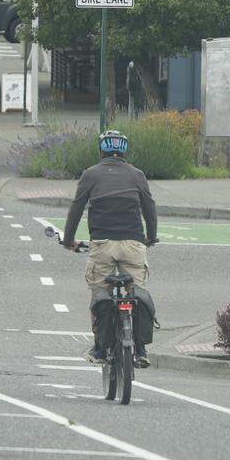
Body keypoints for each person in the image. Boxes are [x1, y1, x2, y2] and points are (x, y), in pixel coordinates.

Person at [62, 130, 158, 367]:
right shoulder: (137, 175)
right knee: (138, 293)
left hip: (103, 244)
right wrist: (150, 237)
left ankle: (99, 348)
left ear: (101, 150)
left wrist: (68, 240)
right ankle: (142, 349)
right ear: (124, 151)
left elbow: (76, 208)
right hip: (133, 244)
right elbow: (149, 208)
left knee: (100, 295)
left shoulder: (90, 175)